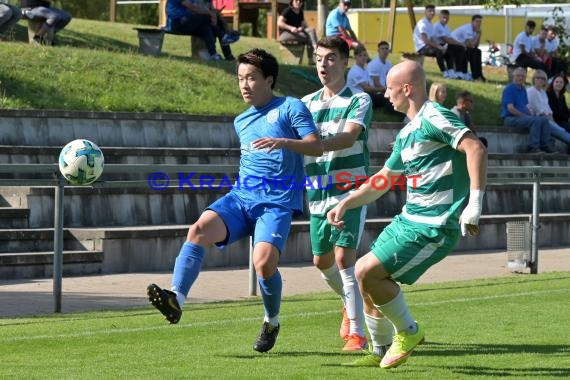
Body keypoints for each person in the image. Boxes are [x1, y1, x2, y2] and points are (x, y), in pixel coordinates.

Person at [147, 49, 323, 353]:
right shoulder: (241, 120)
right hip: (241, 199)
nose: (244, 84)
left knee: (264, 264)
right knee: (198, 230)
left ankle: (272, 320)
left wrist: (283, 142)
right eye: (240, 78)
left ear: (269, 79)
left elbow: (316, 146)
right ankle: (176, 299)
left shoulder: (291, 107)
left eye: (251, 78)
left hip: (277, 202)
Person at [327, 59, 488, 369]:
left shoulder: (435, 117)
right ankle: (380, 348)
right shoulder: (407, 132)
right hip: (408, 220)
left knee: (365, 272)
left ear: (407, 88)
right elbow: (385, 179)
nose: (385, 94)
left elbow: (475, 148)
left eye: (390, 88)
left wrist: (475, 204)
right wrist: (347, 201)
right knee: (366, 279)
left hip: (433, 225)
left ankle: (408, 331)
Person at [302, 36, 372, 352]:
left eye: (330, 58)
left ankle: (356, 334)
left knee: (344, 257)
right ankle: (348, 300)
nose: (323, 64)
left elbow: (348, 138)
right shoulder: (304, 104)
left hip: (350, 191)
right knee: (321, 260)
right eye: (318, 58)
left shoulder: (359, 100)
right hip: (317, 192)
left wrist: (314, 144)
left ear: (345, 62)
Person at [501, 67, 554, 154]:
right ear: (513, 76)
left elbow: (526, 106)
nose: (520, 78)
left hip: (521, 117)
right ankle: (533, 147)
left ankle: (545, 146)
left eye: (522, 76)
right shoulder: (509, 89)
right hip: (510, 118)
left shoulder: (523, 90)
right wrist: (524, 115)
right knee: (536, 120)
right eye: (518, 76)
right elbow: (510, 108)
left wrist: (531, 114)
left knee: (543, 120)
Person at [164, 0, 238, 61]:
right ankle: (224, 38)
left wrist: (214, 13)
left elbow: (196, 9)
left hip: (186, 22)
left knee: (206, 28)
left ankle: (213, 54)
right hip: (177, 22)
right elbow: (193, 8)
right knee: (208, 16)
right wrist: (210, 13)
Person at [526, 69, 570, 151]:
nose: (540, 80)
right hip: (540, 119)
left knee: (562, 130)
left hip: (549, 119)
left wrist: (551, 118)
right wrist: (551, 118)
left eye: (543, 79)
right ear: (534, 79)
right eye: (538, 78)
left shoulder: (543, 93)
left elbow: (548, 109)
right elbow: (536, 109)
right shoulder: (531, 91)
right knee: (562, 131)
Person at [278, 0, 318, 65]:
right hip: (285, 34)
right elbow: (279, 23)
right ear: (292, 1)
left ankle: (315, 49)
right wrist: (291, 28)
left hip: (297, 34)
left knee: (312, 30)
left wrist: (301, 28)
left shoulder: (300, 12)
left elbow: (303, 25)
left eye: (301, 1)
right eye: (296, 0)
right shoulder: (288, 10)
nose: (299, 2)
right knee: (309, 37)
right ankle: (314, 53)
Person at [367, 41, 401, 115]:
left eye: (387, 49)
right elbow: (376, 83)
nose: (385, 51)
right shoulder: (374, 64)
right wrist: (388, 91)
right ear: (378, 50)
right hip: (376, 93)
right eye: (382, 49)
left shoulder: (389, 64)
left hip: (385, 90)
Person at [413, 5, 447, 77]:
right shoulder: (422, 23)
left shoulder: (430, 24)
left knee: (448, 50)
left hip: (428, 46)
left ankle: (451, 71)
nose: (432, 13)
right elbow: (426, 41)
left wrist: (441, 46)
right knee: (439, 51)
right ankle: (444, 72)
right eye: (430, 11)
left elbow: (432, 39)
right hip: (421, 48)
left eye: (433, 11)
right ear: (425, 12)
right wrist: (439, 47)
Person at [433, 9, 467, 80]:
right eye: (444, 18)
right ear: (439, 17)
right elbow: (447, 40)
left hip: (443, 44)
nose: (445, 20)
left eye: (447, 18)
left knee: (459, 49)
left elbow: (451, 38)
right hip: (434, 45)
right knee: (450, 49)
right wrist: (461, 43)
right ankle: (445, 72)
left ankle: (457, 71)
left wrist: (461, 44)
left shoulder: (446, 27)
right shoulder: (437, 26)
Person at [451, 15, 485, 81]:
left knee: (478, 51)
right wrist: (478, 35)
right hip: (452, 46)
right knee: (472, 52)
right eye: (477, 21)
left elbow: (476, 46)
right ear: (472, 22)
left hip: (462, 47)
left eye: (480, 21)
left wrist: (479, 35)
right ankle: (475, 76)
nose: (479, 23)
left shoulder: (475, 30)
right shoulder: (468, 28)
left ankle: (479, 75)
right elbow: (470, 45)